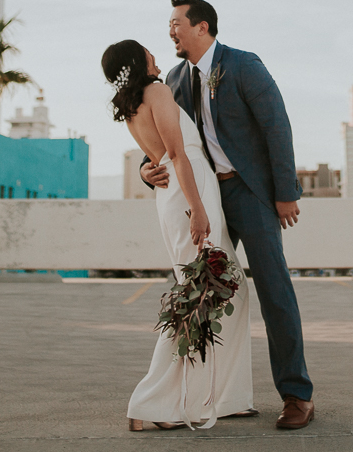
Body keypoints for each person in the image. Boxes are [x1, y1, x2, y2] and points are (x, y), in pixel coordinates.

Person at [139, 0, 315, 431]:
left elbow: (277, 125)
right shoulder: (175, 80)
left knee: (274, 289)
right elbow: (166, 140)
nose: (170, 32)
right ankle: (188, 397)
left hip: (250, 192)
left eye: (176, 23)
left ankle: (297, 395)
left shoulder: (243, 65)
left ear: (202, 27)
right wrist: (147, 171)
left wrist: (285, 192)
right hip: (204, 197)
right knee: (196, 292)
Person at [102, 39, 254, 431]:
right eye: (147, 52)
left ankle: (223, 396)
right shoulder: (157, 90)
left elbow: (157, 160)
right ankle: (151, 401)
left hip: (174, 195)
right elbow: (177, 155)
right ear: (138, 62)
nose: (155, 55)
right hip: (191, 193)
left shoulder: (131, 103)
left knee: (223, 290)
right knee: (199, 298)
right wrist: (199, 210)